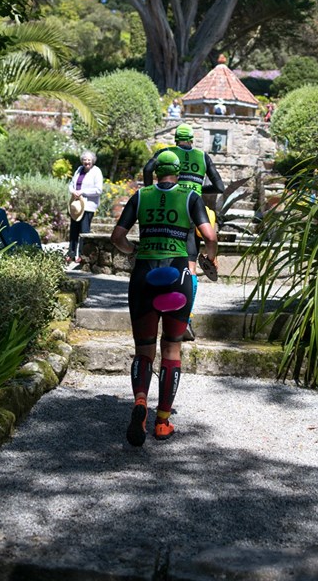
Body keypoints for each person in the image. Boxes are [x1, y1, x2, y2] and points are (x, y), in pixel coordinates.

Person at [111, 149, 217, 445]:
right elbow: (209, 236)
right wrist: (211, 259)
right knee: (171, 348)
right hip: (177, 278)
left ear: (156, 171)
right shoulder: (190, 196)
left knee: (143, 349)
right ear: (179, 171)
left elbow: (117, 238)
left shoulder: (140, 196)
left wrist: (133, 251)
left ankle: (140, 403)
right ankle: (162, 422)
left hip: (144, 276)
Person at [143, 123, 225, 340]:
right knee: (190, 267)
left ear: (176, 138)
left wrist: (149, 189)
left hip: (168, 210)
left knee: (160, 260)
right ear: (192, 139)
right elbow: (220, 186)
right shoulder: (203, 156)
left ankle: (157, 315)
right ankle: (184, 319)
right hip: (192, 212)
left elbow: (148, 169)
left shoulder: (167, 154)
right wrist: (198, 189)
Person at [67, 150, 103, 264]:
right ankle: (71, 254)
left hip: (88, 206)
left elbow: (98, 190)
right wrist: (73, 191)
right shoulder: (79, 169)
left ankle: (83, 255)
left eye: (89, 160)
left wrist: (82, 191)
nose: (86, 162)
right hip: (76, 206)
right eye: (84, 160)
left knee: (84, 231)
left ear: (93, 160)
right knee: (73, 230)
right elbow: (71, 184)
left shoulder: (96, 171)